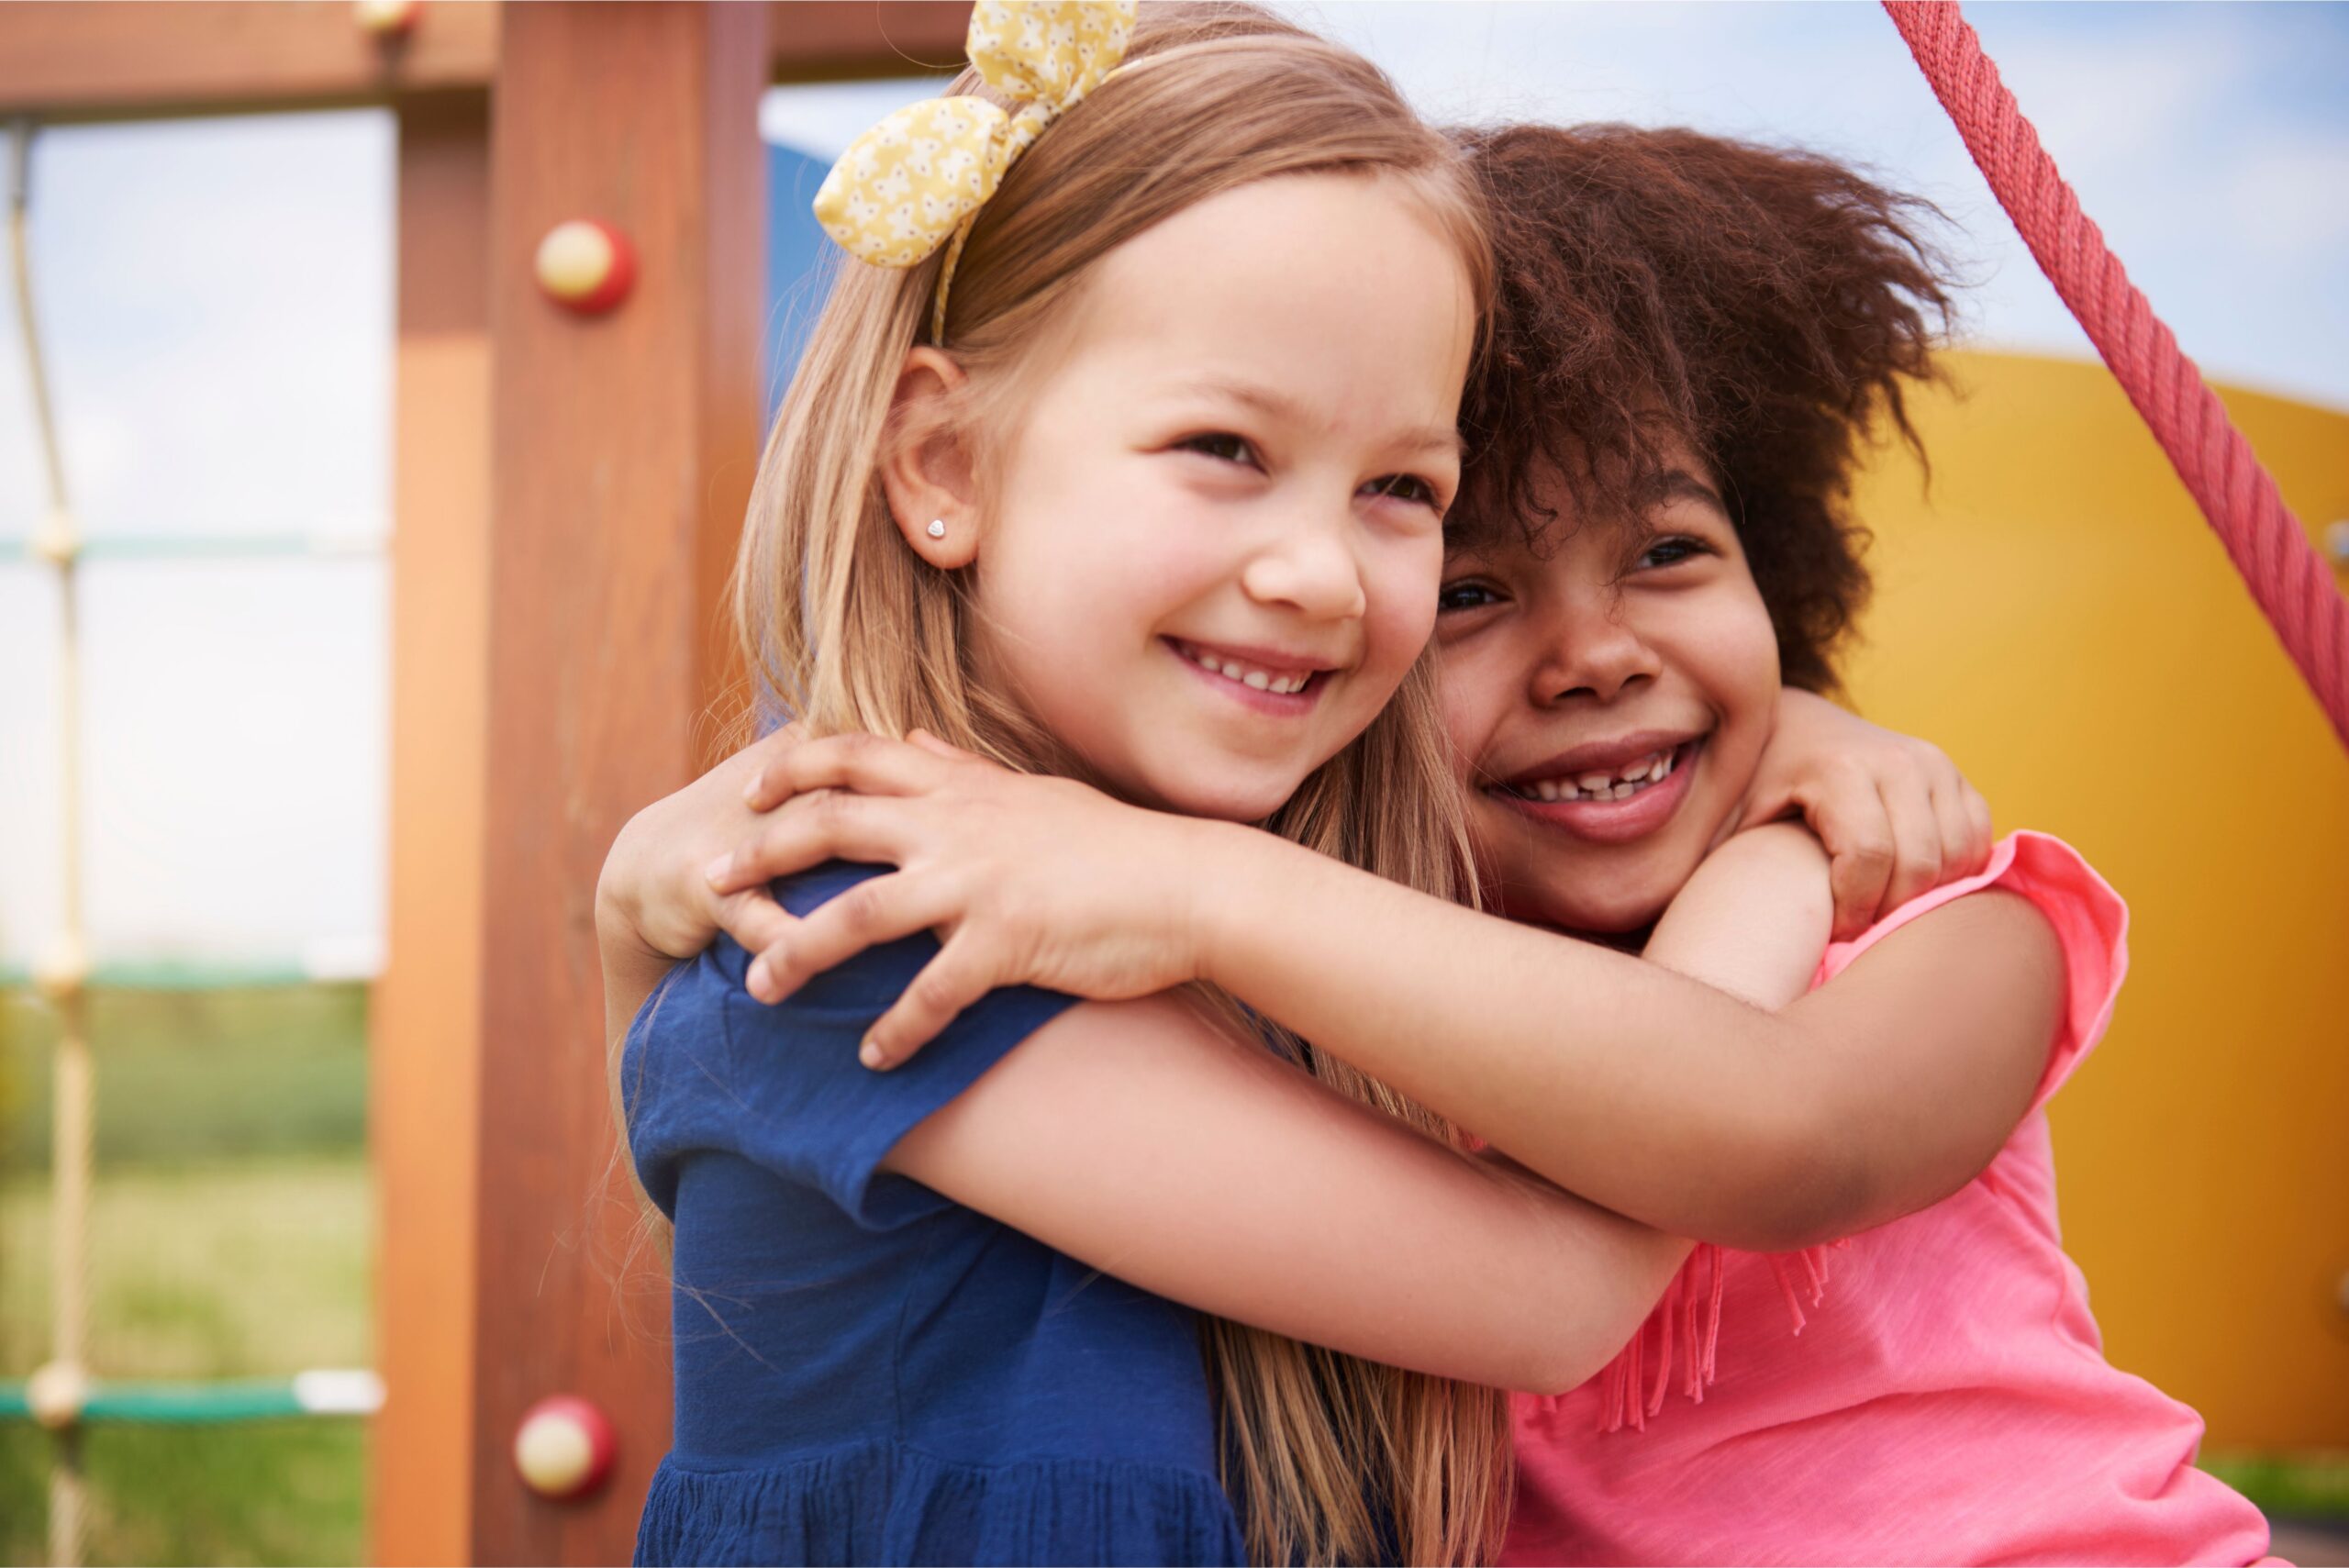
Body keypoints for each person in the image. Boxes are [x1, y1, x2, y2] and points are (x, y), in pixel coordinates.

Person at [608, 120, 2274, 1564]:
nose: (1596, 652)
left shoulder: (1938, 909)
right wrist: (634, 904)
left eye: (1676, 554)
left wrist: (1781, 802)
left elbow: (1797, 1133)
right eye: (1473, 591)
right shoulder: (1297, 984)